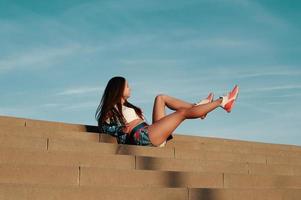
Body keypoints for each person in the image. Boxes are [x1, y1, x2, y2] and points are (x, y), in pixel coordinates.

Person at [95, 76, 239, 147]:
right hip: (142, 137)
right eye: (127, 86)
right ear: (119, 89)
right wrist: (120, 129)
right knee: (182, 113)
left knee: (160, 98)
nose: (130, 88)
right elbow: (103, 126)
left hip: (149, 131)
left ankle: (198, 107)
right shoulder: (111, 109)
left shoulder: (128, 106)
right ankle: (223, 101)